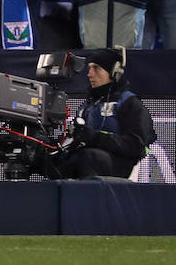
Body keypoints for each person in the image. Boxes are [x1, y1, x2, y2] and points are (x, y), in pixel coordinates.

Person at [49, 49, 156, 179]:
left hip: (119, 167)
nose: (90, 74)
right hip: (86, 160)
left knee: (88, 157)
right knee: (51, 162)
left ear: (114, 72)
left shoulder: (130, 103)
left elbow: (135, 146)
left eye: (96, 68)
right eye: (89, 68)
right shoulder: (87, 105)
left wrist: (95, 137)